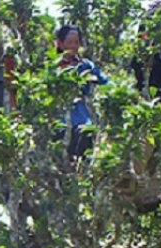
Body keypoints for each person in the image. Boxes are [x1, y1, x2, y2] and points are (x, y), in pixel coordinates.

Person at [54, 24, 110, 160]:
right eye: (70, 42)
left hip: (81, 116)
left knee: (85, 146)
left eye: (77, 42)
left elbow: (106, 83)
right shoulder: (54, 67)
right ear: (60, 44)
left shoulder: (86, 65)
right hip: (60, 118)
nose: (74, 46)